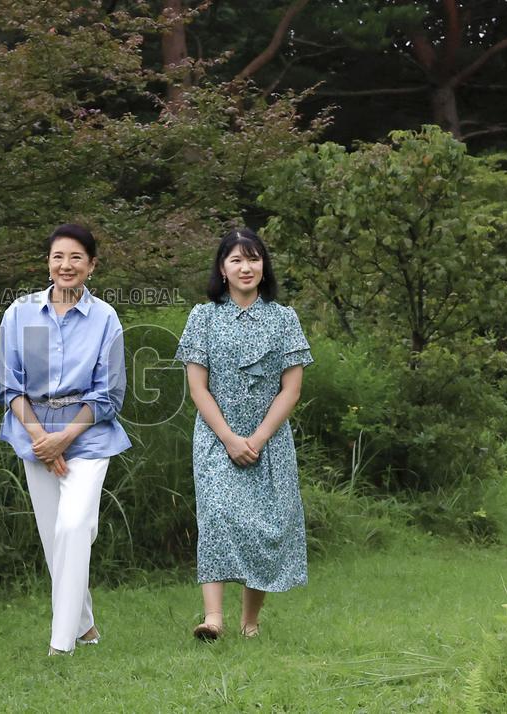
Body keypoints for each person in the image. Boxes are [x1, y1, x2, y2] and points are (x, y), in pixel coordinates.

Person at [0, 223, 131, 656]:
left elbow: (109, 391)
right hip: (33, 432)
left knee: (74, 526)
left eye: (76, 257)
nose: (66, 265)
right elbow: (7, 384)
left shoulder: (105, 317)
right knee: (58, 538)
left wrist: (65, 438)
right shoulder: (20, 313)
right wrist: (41, 438)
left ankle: (61, 645)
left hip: (88, 436)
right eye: (58, 257)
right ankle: (85, 625)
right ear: (47, 263)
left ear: (91, 265)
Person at [174, 228, 312, 640]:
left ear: (263, 265)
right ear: (223, 268)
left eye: (252, 258)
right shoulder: (203, 317)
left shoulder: (284, 318)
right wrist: (231, 439)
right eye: (236, 260)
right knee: (217, 517)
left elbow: (292, 388)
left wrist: (258, 438)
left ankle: (250, 622)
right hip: (217, 437)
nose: (245, 267)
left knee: (264, 525)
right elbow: (198, 387)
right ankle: (212, 618)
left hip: (269, 437)